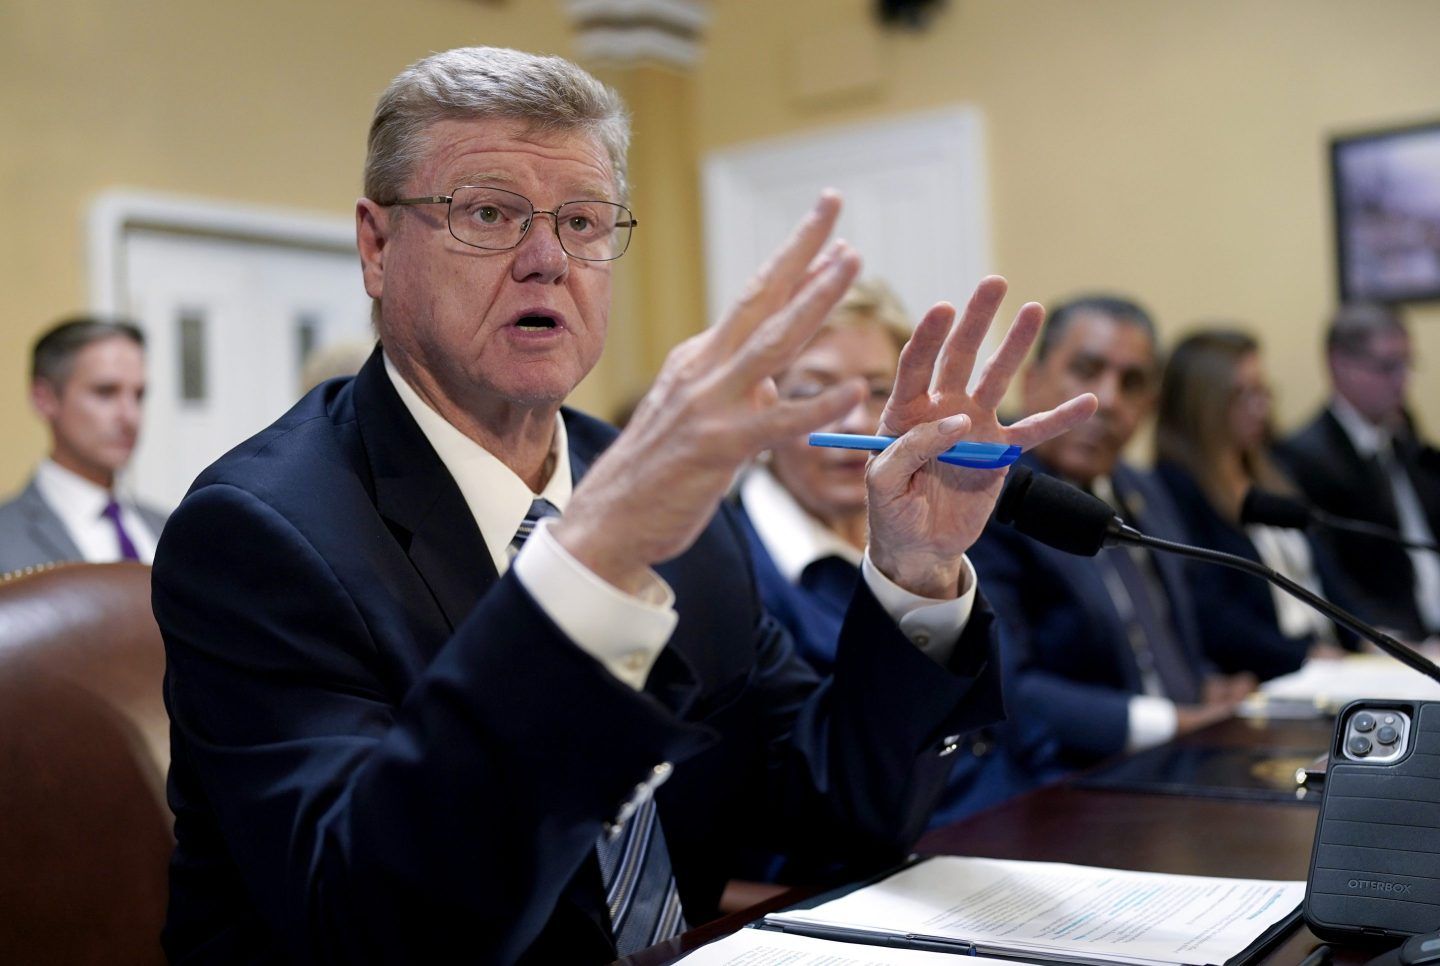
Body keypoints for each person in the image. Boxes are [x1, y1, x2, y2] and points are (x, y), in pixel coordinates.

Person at [153, 47, 1096, 964]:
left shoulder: (664, 490)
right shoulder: (258, 532)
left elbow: (832, 810)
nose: (546, 260)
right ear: (375, 245)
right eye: (488, 213)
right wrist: (590, 563)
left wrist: (914, 571)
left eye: (583, 222)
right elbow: (375, 928)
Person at [735, 278, 1060, 827]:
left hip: (1015, 820)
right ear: (763, 410)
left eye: (879, 391)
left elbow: (1006, 714)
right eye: (814, 391)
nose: (855, 422)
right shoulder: (736, 563)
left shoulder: (929, 520)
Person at [967, 295, 1253, 766]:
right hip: (1070, 777)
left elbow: (1165, 633)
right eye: (1086, 369)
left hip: (1186, 749)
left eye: (1132, 383)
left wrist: (1207, 684)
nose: (1108, 401)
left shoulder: (1143, 488)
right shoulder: (985, 494)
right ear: (1033, 379)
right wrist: (1169, 722)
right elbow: (1004, 685)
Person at [1153, 329, 1350, 680]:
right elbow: (1213, 615)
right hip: (1270, 674)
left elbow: (1327, 578)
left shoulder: (1274, 467)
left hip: (1329, 662)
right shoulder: (1174, 487)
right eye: (1242, 394)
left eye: (1263, 391)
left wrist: (1371, 640)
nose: (1261, 407)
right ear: (1204, 404)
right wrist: (1305, 656)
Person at [1276, 303, 1440, 641]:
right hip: (1396, 639)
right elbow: (1334, 579)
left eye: (1407, 364)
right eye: (1387, 366)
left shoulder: (1403, 435)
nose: (1402, 381)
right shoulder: (1306, 458)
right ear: (1339, 364)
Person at [0, 317, 165, 573]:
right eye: (105, 392)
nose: (130, 416)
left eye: (139, 395)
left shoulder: (168, 527)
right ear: (44, 399)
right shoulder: (6, 537)